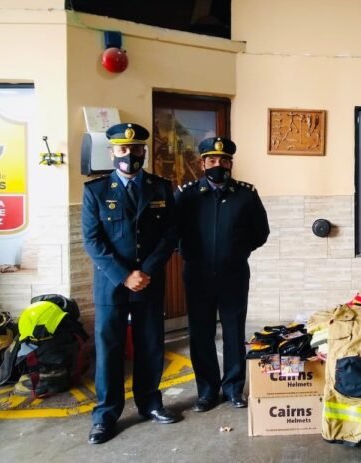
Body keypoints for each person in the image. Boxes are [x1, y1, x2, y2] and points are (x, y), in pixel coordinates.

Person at [81, 123, 179, 444]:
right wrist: (125, 275)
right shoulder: (95, 191)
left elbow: (169, 236)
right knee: (108, 348)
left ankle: (150, 403)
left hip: (149, 281)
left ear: (144, 151)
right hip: (111, 284)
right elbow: (93, 241)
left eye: (136, 149)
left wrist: (146, 271)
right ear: (112, 153)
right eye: (122, 150)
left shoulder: (161, 188)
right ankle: (106, 415)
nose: (129, 155)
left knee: (150, 343)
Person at [175, 136, 269, 412]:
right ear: (202, 163)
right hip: (198, 275)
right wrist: (189, 253)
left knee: (233, 330)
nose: (219, 165)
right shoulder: (187, 195)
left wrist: (237, 251)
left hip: (233, 274)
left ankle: (233, 389)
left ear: (231, 163)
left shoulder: (246, 194)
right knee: (201, 333)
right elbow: (173, 231)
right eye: (213, 160)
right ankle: (206, 391)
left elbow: (260, 232)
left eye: (224, 160)